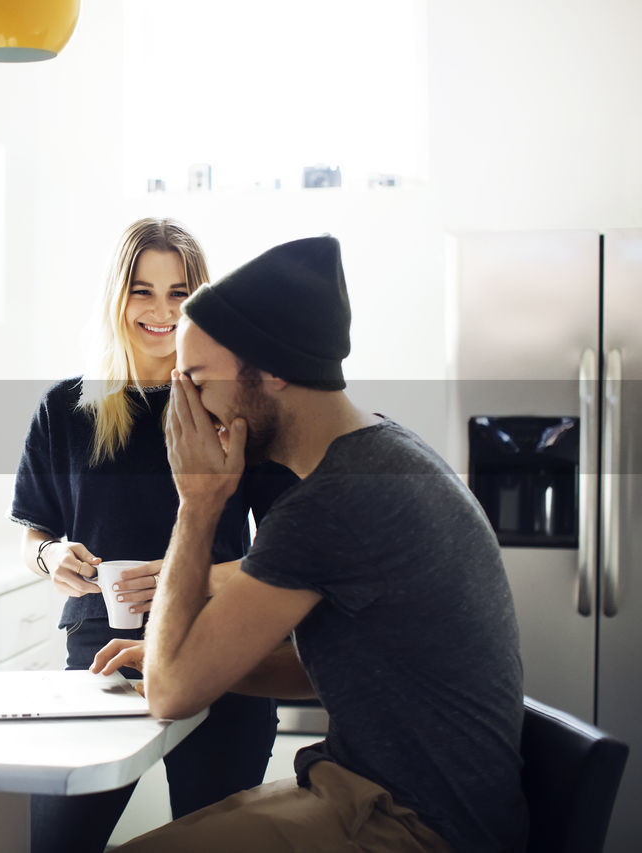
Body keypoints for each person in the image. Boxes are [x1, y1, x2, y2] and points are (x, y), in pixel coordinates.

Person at [93, 235, 527, 851]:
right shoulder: (382, 452)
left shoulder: (334, 500)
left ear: (271, 372)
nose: (182, 405)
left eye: (195, 381)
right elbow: (334, 673)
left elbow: (171, 692)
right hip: (383, 795)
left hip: (413, 826)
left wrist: (198, 501)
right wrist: (201, 661)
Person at [11, 218, 299, 853]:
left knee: (212, 841)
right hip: (99, 656)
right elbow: (35, 530)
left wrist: (185, 579)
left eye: (180, 292)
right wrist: (48, 555)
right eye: (143, 290)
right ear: (118, 297)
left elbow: (287, 553)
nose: (162, 310)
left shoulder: (236, 405)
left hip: (221, 649)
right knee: (58, 843)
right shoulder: (66, 409)